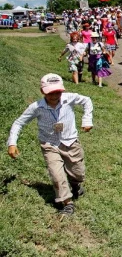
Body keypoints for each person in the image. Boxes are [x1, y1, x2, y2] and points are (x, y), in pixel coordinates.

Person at [6, 74, 93, 215]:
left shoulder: (68, 98)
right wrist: (12, 143)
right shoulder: (36, 107)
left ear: (62, 90)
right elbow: (18, 123)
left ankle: (75, 184)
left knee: (78, 172)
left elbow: (87, 101)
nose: (54, 96)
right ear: (42, 91)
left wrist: (87, 120)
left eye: (57, 92)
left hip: (70, 142)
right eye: (50, 93)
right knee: (56, 174)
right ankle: (67, 203)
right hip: (49, 144)